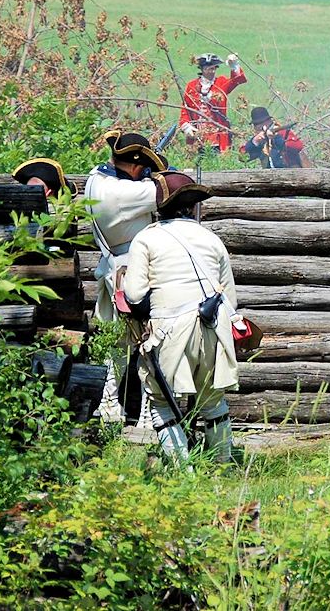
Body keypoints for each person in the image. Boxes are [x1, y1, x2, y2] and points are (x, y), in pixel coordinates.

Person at [121, 171, 240, 463]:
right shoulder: (211, 238)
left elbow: (134, 295)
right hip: (215, 328)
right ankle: (222, 466)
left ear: (160, 207)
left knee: (161, 401)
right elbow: (231, 301)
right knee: (212, 402)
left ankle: (180, 473)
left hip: (170, 330)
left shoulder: (146, 238)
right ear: (191, 206)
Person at [85, 129, 167, 423]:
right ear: (134, 165)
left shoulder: (97, 178)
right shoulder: (127, 192)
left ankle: (109, 406)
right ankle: (149, 412)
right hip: (134, 274)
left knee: (116, 347)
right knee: (148, 343)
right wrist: (157, 172)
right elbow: (167, 189)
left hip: (113, 268)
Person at [179, 53, 247, 154]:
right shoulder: (192, 86)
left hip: (218, 137)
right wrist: (186, 125)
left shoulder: (221, 82)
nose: (212, 71)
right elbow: (185, 108)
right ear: (202, 69)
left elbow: (237, 80)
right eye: (208, 68)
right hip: (198, 136)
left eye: (214, 68)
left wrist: (234, 66)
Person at [242, 106, 309, 168]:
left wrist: (275, 138)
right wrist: (254, 142)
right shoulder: (260, 140)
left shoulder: (283, 133)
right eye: (256, 124)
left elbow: (297, 147)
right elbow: (243, 157)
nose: (259, 126)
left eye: (262, 122)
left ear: (269, 121)